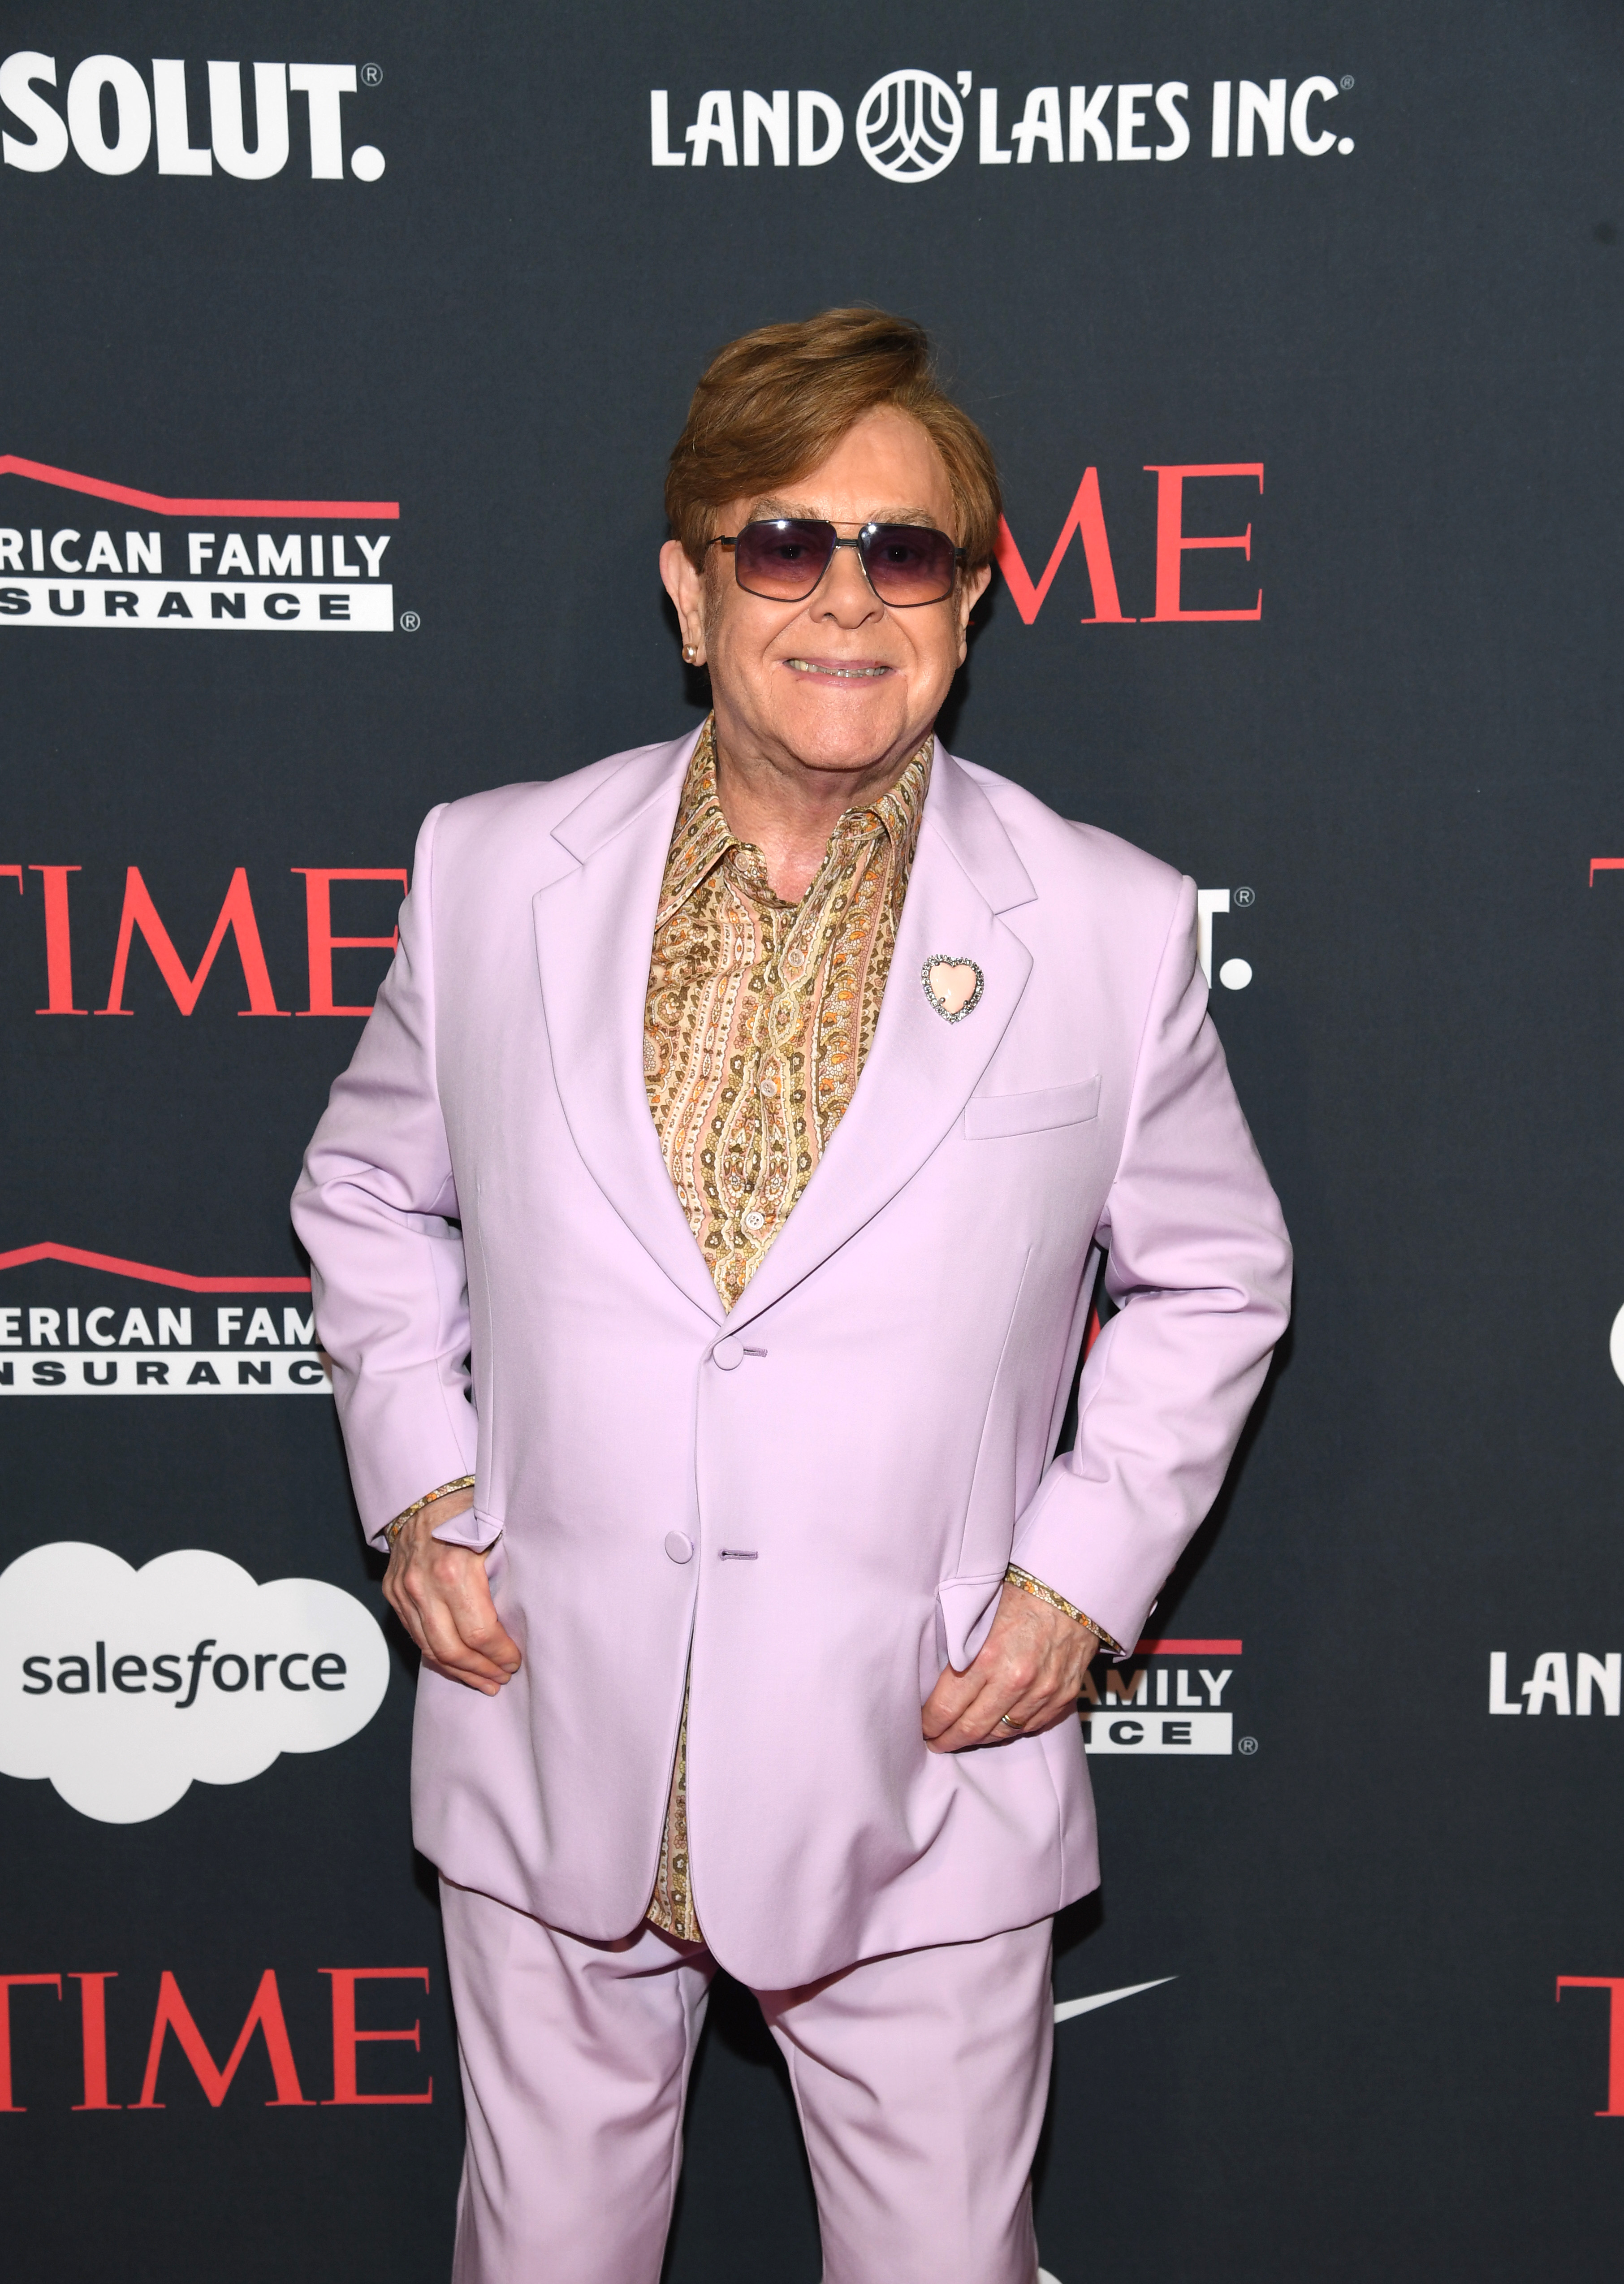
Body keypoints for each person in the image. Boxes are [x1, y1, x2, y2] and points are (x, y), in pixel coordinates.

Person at [293, 306, 1291, 2284]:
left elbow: (1219, 1270)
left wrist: (1075, 1581)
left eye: (904, 550)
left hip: (921, 1766)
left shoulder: (1099, 923)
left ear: (969, 602)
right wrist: (419, 1490)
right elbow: (364, 1184)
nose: (846, 595)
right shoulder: (492, 872)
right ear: (689, 590)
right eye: (783, 542)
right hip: (547, 1724)